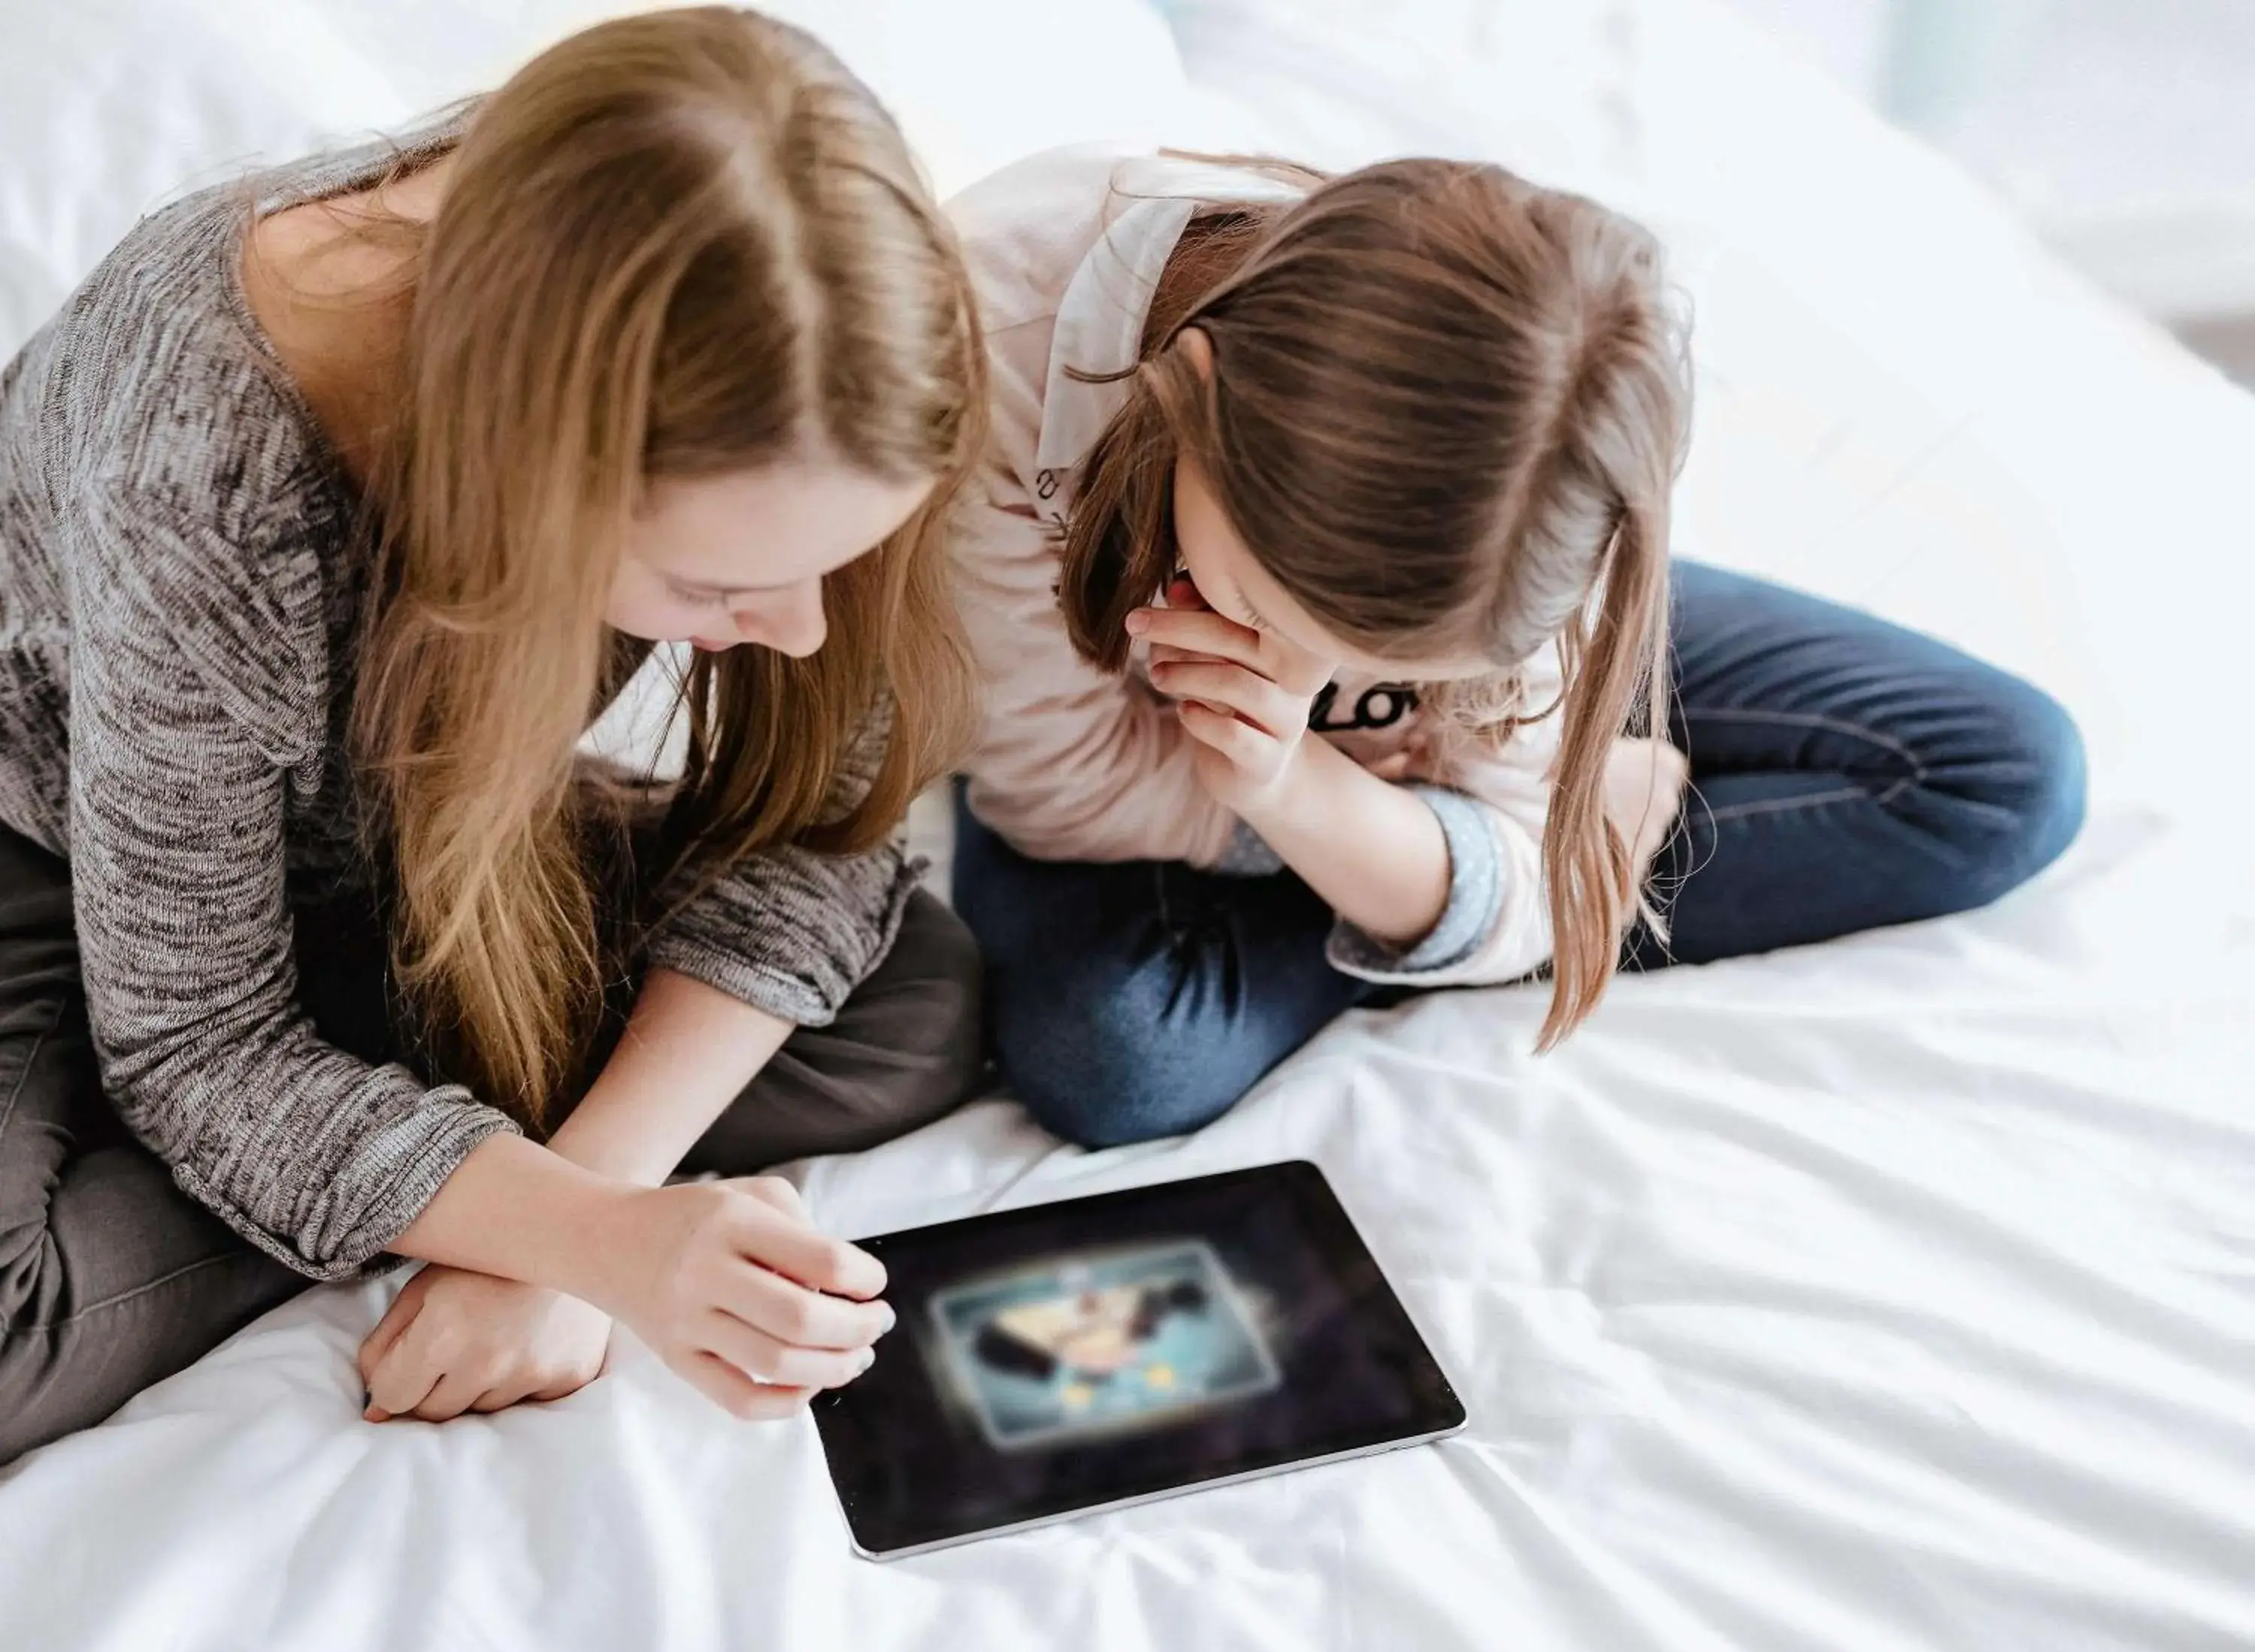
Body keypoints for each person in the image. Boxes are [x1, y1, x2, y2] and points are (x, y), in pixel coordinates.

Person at [0, 8, 989, 1466]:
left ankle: (365, 1140)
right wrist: (597, 1238)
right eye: (714, 588)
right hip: (56, 841)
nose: (801, 636)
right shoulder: (205, 481)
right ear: (523, 481)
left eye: (837, 564)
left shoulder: (796, 277)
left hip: (411, 818)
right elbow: (200, 1038)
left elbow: (833, 809)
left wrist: (580, 1213)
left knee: (921, 992)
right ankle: (341, 1140)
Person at [944, 146, 2087, 1149]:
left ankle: (1449, 884)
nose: (1321, 681)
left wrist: (1306, 789)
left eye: (1384, 671)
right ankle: (1490, 882)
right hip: (1123, 741)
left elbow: (1486, 722)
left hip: (1422, 642)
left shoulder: (1538, 449)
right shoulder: (996, 358)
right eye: (1263, 611)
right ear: (1192, 391)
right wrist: (1432, 831)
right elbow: (1068, 789)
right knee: (1117, 1057)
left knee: (2006, 779)